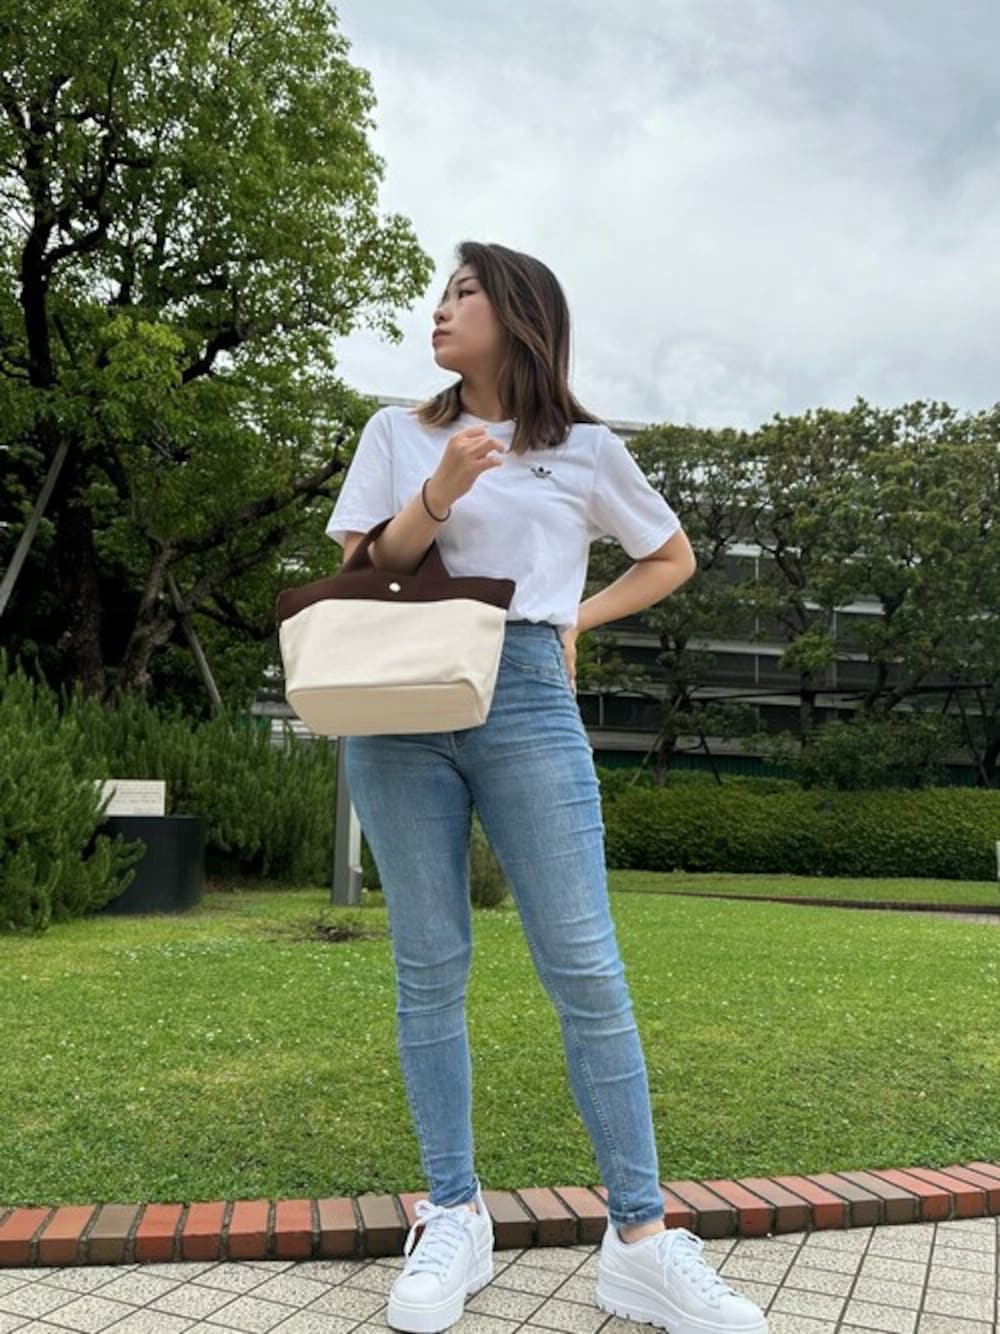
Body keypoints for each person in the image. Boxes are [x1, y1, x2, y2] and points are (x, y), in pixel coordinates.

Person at [325, 241, 768, 1334]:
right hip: (401, 699)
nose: (440, 310)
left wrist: (575, 617)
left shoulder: (585, 449)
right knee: (429, 964)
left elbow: (669, 556)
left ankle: (640, 1241)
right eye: (440, 295)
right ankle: (453, 1214)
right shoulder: (398, 431)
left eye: (463, 293)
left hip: (524, 687)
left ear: (520, 313)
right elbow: (364, 568)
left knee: (584, 963)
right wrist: (439, 491)